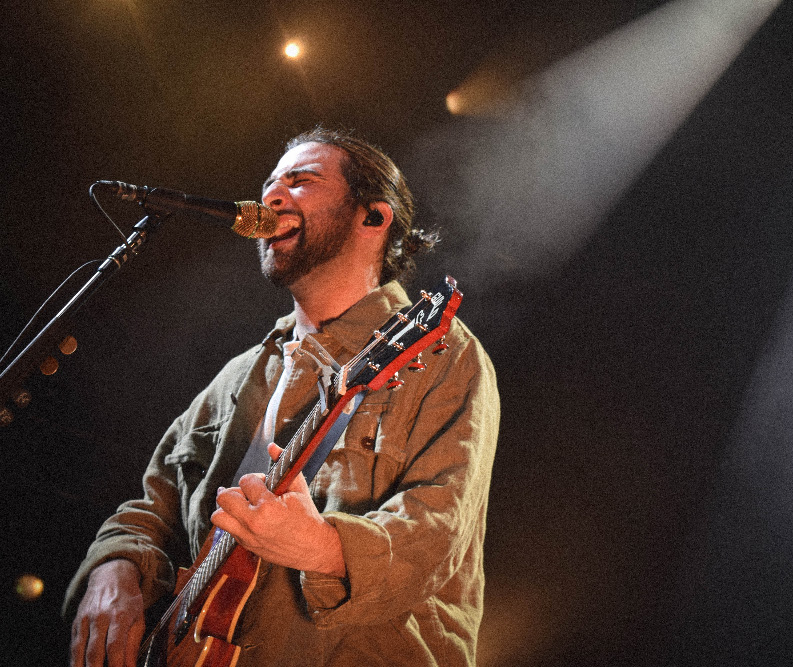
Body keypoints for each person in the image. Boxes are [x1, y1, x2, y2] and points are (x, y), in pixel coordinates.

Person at [64, 128, 501, 667]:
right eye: (271, 183)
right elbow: (151, 507)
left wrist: (321, 547)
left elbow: (439, 534)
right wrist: (115, 570)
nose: (271, 196)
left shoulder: (442, 355)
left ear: (373, 218)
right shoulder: (240, 375)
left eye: (300, 181)